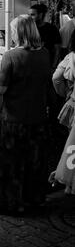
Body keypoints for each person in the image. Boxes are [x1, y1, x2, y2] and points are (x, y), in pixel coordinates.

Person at [0, 15, 51, 214]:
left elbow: (0, 89)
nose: (11, 34)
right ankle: (35, 199)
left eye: (13, 30)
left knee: (12, 164)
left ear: (20, 32)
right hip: (38, 117)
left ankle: (13, 203)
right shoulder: (45, 54)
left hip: (14, 119)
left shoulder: (11, 56)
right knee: (35, 161)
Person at [50, 29, 75, 194]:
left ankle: (70, 183)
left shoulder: (71, 57)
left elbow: (56, 78)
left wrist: (65, 93)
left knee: (72, 147)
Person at [29, 3, 61, 70]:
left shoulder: (52, 29)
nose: (30, 17)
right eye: (29, 15)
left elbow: (57, 49)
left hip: (47, 66)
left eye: (32, 15)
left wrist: (53, 67)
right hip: (32, 66)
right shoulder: (29, 29)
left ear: (40, 15)